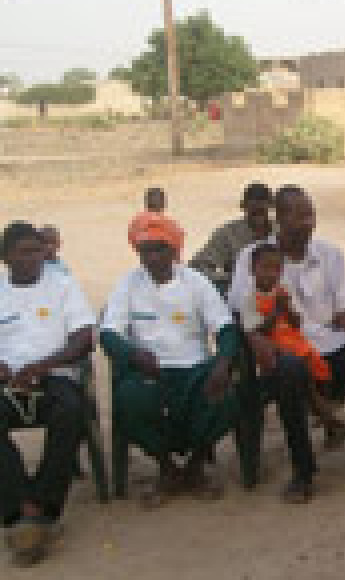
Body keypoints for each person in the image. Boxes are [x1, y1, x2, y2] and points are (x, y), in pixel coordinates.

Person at [229, 185, 345, 502]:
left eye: (311, 215)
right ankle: (303, 472)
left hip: (328, 343)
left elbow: (344, 312)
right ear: (281, 218)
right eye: (301, 216)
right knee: (290, 370)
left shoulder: (330, 254)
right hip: (281, 345)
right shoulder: (253, 257)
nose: (309, 223)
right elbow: (241, 312)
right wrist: (257, 340)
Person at [100, 213, 238, 508]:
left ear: (175, 250)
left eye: (159, 249)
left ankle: (195, 467)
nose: (151, 256)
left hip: (194, 368)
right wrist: (133, 355)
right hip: (148, 370)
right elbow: (109, 334)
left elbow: (225, 328)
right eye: (145, 250)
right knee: (129, 398)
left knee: (225, 395)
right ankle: (166, 468)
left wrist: (222, 363)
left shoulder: (196, 282)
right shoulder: (128, 284)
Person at [0, 222, 95, 566]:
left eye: (38, 250)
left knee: (70, 411)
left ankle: (42, 507)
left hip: (54, 374)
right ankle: (19, 507)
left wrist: (43, 366)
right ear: (6, 257)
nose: (35, 258)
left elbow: (85, 337)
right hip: (7, 381)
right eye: (25, 252)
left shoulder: (63, 286)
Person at [237, 243, 345, 450]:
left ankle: (328, 418)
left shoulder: (281, 292)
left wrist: (288, 310)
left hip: (294, 342)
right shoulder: (249, 299)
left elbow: (295, 323)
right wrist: (276, 311)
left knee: (318, 370)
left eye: (276, 269)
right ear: (252, 269)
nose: (270, 274)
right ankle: (330, 420)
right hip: (273, 350)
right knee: (305, 380)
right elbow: (257, 331)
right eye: (265, 268)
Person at [190, 183, 274, 293]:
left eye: (262, 211)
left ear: (271, 206)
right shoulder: (228, 233)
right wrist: (229, 279)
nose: (258, 217)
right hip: (238, 291)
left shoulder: (281, 231)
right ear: (243, 206)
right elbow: (197, 266)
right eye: (254, 212)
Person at [127, 187, 184, 260]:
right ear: (163, 203)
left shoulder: (135, 223)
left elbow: (134, 243)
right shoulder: (170, 224)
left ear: (146, 203)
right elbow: (178, 244)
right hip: (167, 264)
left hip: (147, 263)